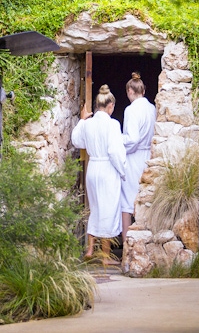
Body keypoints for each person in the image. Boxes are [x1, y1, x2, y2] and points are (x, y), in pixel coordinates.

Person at [71, 84, 126, 264]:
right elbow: (114, 152)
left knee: (95, 208)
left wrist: (82, 120)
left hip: (93, 168)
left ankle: (89, 249)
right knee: (108, 210)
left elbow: (77, 141)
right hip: (108, 168)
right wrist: (122, 171)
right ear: (110, 106)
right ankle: (105, 256)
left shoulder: (88, 124)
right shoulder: (113, 124)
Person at [121, 72, 156, 242]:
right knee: (146, 200)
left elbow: (132, 139)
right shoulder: (152, 108)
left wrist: (117, 141)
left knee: (127, 202)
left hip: (134, 157)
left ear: (130, 91)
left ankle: (128, 247)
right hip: (149, 156)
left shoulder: (131, 109)